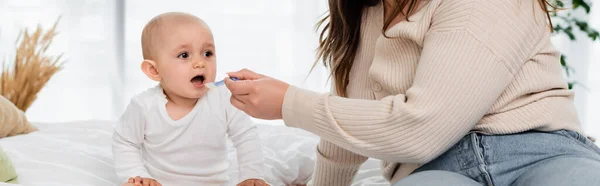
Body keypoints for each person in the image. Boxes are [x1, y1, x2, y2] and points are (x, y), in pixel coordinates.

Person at [223, 0, 600, 185]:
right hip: (436, 170)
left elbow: (421, 129)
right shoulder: (370, 14)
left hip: (539, 153)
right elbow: (349, 128)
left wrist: (289, 102)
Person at [112, 12, 269, 186]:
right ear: (154, 71)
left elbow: (246, 136)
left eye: (207, 53)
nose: (200, 63)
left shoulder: (224, 99)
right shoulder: (144, 106)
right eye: (184, 55)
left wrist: (251, 176)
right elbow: (125, 142)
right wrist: (138, 176)